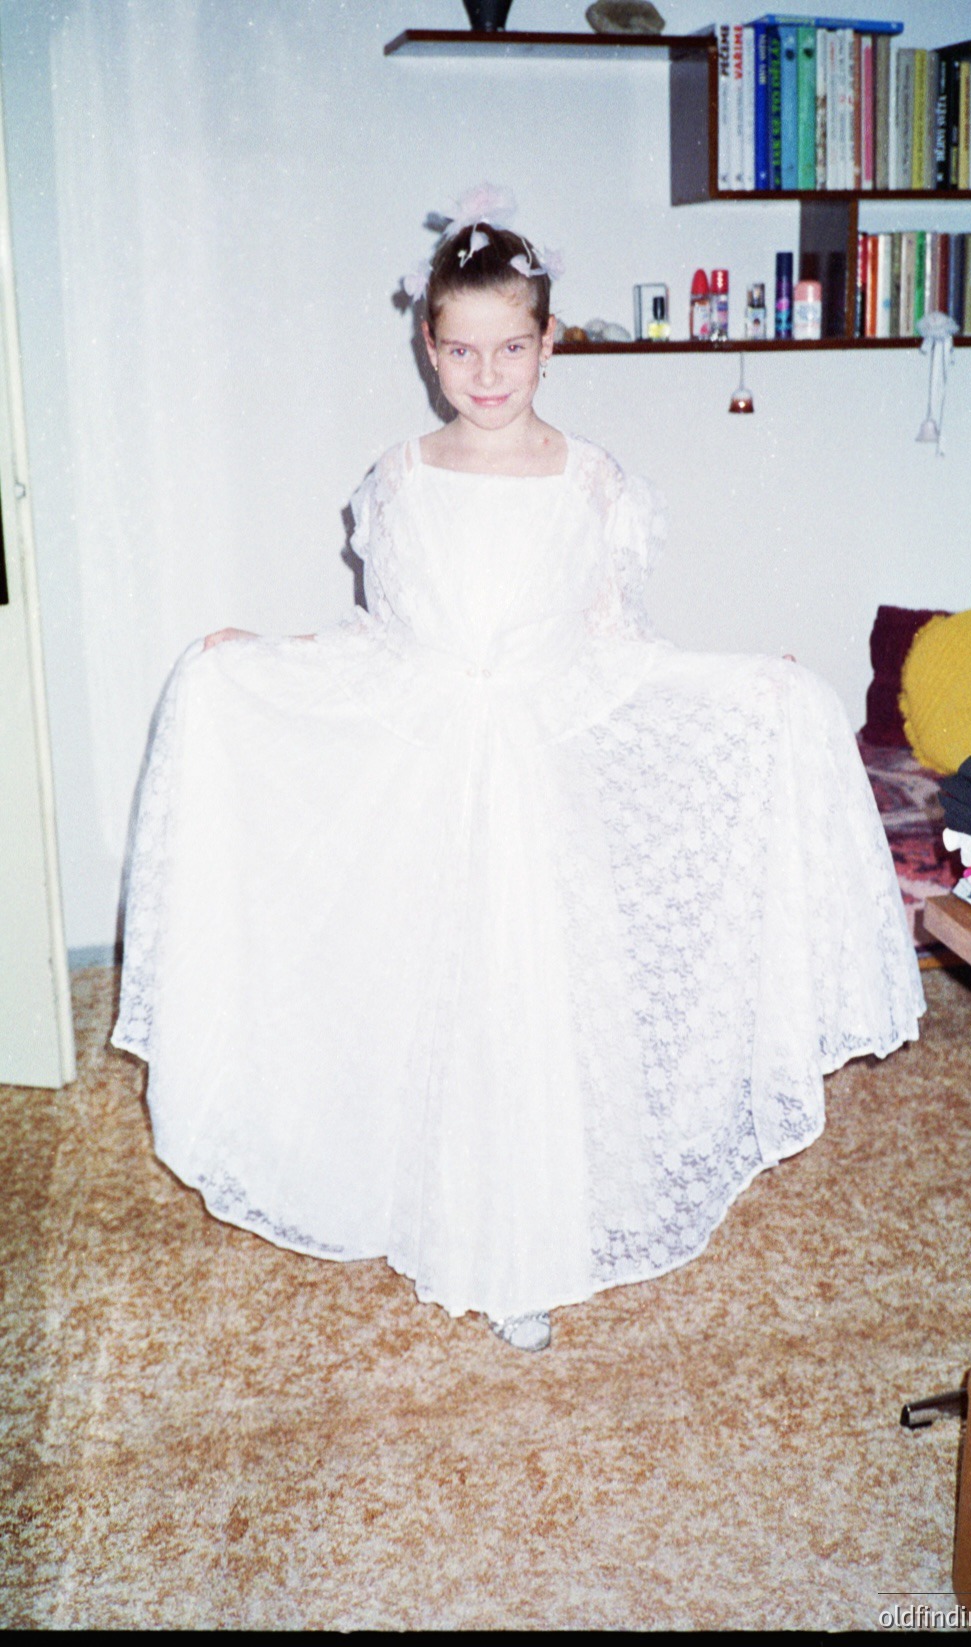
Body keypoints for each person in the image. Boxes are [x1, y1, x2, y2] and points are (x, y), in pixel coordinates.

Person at [113, 186, 925, 1354]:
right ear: (426, 345)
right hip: (429, 784)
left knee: (529, 1002)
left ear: (550, 343)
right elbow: (384, 640)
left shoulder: (594, 483)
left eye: (510, 348)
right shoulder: (398, 476)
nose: (486, 374)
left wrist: (748, 686)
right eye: (461, 350)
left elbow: (616, 647)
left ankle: (525, 1244)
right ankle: (425, 1201)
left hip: (538, 787)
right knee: (431, 997)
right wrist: (261, 661)